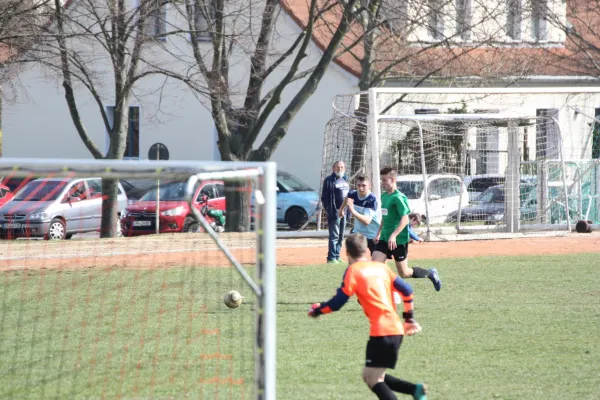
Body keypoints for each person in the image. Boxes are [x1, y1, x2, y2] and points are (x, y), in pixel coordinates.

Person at [308, 233, 428, 400]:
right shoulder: (382, 268)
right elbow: (407, 290)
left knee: (373, 378)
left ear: (347, 253)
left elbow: (338, 303)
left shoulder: (353, 271)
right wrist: (409, 318)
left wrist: (318, 310)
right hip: (395, 329)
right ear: (366, 250)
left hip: (382, 331)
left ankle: (415, 390)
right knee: (372, 374)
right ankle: (415, 390)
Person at [372, 167, 441, 292]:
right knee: (375, 265)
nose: (382, 183)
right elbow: (385, 217)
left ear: (393, 180)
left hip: (398, 240)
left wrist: (393, 235)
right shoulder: (383, 196)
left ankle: (430, 273)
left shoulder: (399, 197)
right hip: (384, 238)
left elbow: (405, 219)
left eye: (384, 180)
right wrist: (378, 233)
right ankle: (375, 293)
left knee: (404, 273)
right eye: (381, 180)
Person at [338, 174, 380, 254]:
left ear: (369, 186)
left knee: (377, 260)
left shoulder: (371, 199)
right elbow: (348, 197)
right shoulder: (353, 194)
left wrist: (353, 211)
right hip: (357, 232)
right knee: (353, 256)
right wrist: (341, 210)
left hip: (372, 234)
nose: (360, 188)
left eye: (363, 185)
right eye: (359, 185)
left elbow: (366, 221)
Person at [321, 161, 350, 263]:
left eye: (342, 167)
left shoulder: (346, 179)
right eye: (338, 167)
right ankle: (331, 257)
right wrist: (329, 210)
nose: (340, 169)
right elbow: (324, 197)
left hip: (345, 211)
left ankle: (337, 255)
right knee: (334, 235)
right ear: (333, 169)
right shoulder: (329, 180)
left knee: (341, 236)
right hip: (335, 211)